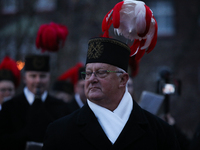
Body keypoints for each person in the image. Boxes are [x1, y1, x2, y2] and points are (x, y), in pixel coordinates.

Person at [42, 37, 180, 150]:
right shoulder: (60, 131)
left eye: (101, 73)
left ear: (122, 79)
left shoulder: (160, 132)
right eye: (88, 73)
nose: (91, 80)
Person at [0, 54, 69, 150]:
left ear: (49, 78)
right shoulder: (9, 107)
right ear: (25, 78)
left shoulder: (61, 107)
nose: (38, 81)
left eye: (42, 76)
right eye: (33, 76)